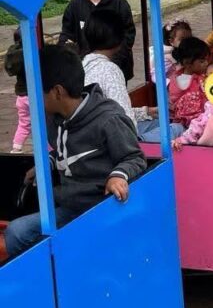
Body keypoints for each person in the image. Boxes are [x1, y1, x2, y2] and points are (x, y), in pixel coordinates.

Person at [0, 46, 146, 262]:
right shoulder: (55, 119)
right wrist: (48, 162)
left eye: (35, 93)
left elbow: (134, 157)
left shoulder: (108, 119)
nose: (31, 100)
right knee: (17, 232)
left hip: (99, 209)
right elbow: (66, 152)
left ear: (57, 92)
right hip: (70, 207)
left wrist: (118, 176)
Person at [82, 8, 183, 142]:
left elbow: (115, 110)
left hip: (97, 134)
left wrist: (146, 112)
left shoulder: (84, 64)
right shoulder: (110, 70)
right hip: (119, 142)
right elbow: (125, 118)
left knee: (162, 121)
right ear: (118, 38)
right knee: (177, 128)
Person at [59, 0, 136, 82]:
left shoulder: (119, 3)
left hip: (117, 66)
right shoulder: (75, 5)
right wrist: (75, 57)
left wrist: (114, 61)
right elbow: (66, 34)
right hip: (85, 68)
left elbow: (129, 35)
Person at [168, 36, 210, 127]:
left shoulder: (199, 76)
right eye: (202, 61)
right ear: (187, 63)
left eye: (207, 60)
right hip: (188, 123)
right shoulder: (183, 82)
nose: (206, 63)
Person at [5, 28, 30, 153]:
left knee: (24, 124)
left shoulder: (14, 56)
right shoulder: (29, 53)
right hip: (33, 95)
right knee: (44, 124)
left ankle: (16, 147)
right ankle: (49, 150)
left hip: (21, 97)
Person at [151, 19, 191, 84]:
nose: (187, 42)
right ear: (171, 41)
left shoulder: (188, 52)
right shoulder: (166, 57)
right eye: (182, 39)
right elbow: (156, 76)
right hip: (173, 87)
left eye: (190, 39)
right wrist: (171, 84)